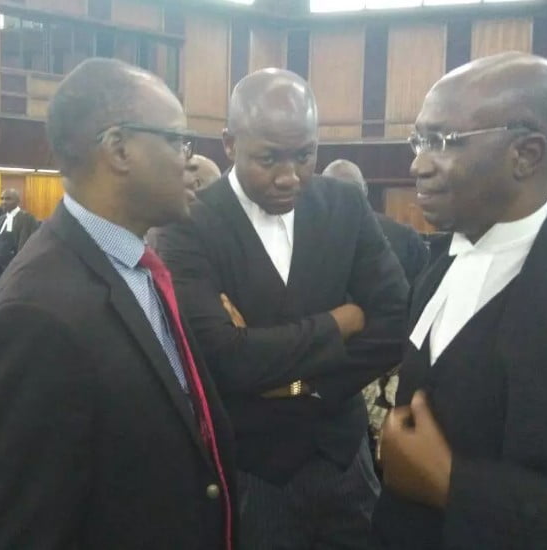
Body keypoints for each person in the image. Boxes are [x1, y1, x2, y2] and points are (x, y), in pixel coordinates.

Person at [0, 58, 237, 550]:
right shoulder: (34, 318)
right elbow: (12, 533)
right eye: (176, 139)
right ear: (119, 149)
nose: (188, 160)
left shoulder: (138, 266)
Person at [372, 52, 547, 549]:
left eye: (442, 142)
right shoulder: (436, 264)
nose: (418, 163)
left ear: (525, 153)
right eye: (418, 139)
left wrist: (452, 486)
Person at [157, 68, 408, 549]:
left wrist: (304, 384)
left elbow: (395, 319)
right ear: (229, 143)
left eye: (305, 155)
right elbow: (222, 356)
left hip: (343, 454)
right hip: (252, 467)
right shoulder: (188, 225)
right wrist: (342, 321)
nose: (290, 175)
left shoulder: (344, 206)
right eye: (269, 158)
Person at [322, 159, 429, 285]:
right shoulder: (304, 238)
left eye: (351, 191)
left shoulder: (405, 239)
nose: (345, 198)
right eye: (337, 192)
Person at [0, 188, 38, 279]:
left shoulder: (27, 219)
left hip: (16, 272)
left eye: (8, 199)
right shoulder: (0, 220)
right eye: (2, 199)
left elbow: (26, 247)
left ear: (18, 201)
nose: (4, 202)